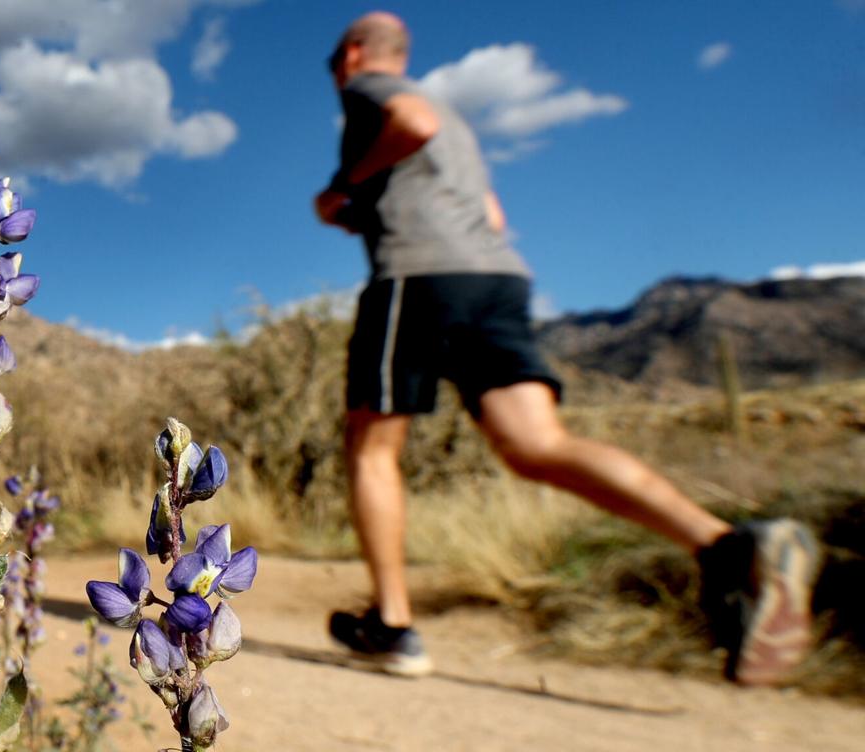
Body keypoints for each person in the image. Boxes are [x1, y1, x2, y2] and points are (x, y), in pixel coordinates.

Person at [314, 11, 820, 684]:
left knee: (372, 445)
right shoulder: (460, 125)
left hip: (419, 274)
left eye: (336, 64)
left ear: (354, 53)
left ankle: (394, 624)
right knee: (536, 445)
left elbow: (414, 126)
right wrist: (365, 205)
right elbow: (491, 214)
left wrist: (345, 183)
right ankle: (727, 544)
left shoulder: (370, 89)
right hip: (497, 277)